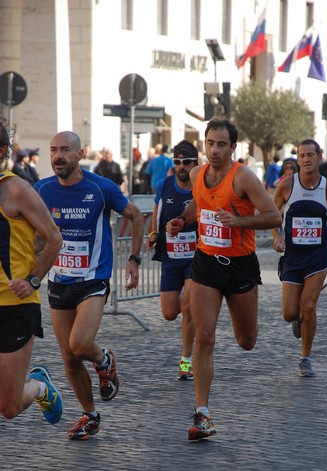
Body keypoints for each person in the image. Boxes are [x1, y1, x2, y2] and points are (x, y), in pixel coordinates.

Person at [166, 118, 282, 440]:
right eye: (210, 143)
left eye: (221, 144)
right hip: (205, 262)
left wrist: (239, 221)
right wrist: (181, 219)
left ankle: (245, 334)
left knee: (247, 341)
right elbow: (198, 205)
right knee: (205, 337)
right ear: (204, 144)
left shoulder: (243, 177)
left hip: (240, 265)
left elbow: (274, 216)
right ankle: (202, 415)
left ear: (233, 147)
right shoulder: (196, 174)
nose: (214, 150)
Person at [34, 131, 145, 440]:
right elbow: (35, 237)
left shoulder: (100, 187)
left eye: (65, 150)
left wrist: (134, 259)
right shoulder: (40, 189)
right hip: (58, 281)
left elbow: (135, 216)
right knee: (68, 358)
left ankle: (104, 359)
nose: (58, 155)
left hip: (93, 280)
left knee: (80, 345)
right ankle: (90, 415)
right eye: (53, 149)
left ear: (80, 153)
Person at [0, 121, 63, 424]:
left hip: (15, 307)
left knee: (9, 407)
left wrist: (33, 279)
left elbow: (53, 238)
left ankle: (39, 387)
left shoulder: (17, 190)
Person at [271, 138, 327, 378]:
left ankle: (305, 358)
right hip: (293, 255)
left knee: (309, 304)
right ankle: (299, 320)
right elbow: (271, 216)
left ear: (319, 157)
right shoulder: (286, 186)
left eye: (310, 155)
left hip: (318, 254)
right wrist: (276, 237)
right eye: (301, 155)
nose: (305, 159)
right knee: (289, 313)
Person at [146, 140, 199, 380]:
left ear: (195, 164)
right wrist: (153, 234)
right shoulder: (163, 185)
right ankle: (197, 310)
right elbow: (157, 215)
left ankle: (186, 360)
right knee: (169, 312)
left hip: (196, 258)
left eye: (186, 162)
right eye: (177, 162)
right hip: (170, 255)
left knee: (187, 307)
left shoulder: (201, 187)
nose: (181, 166)